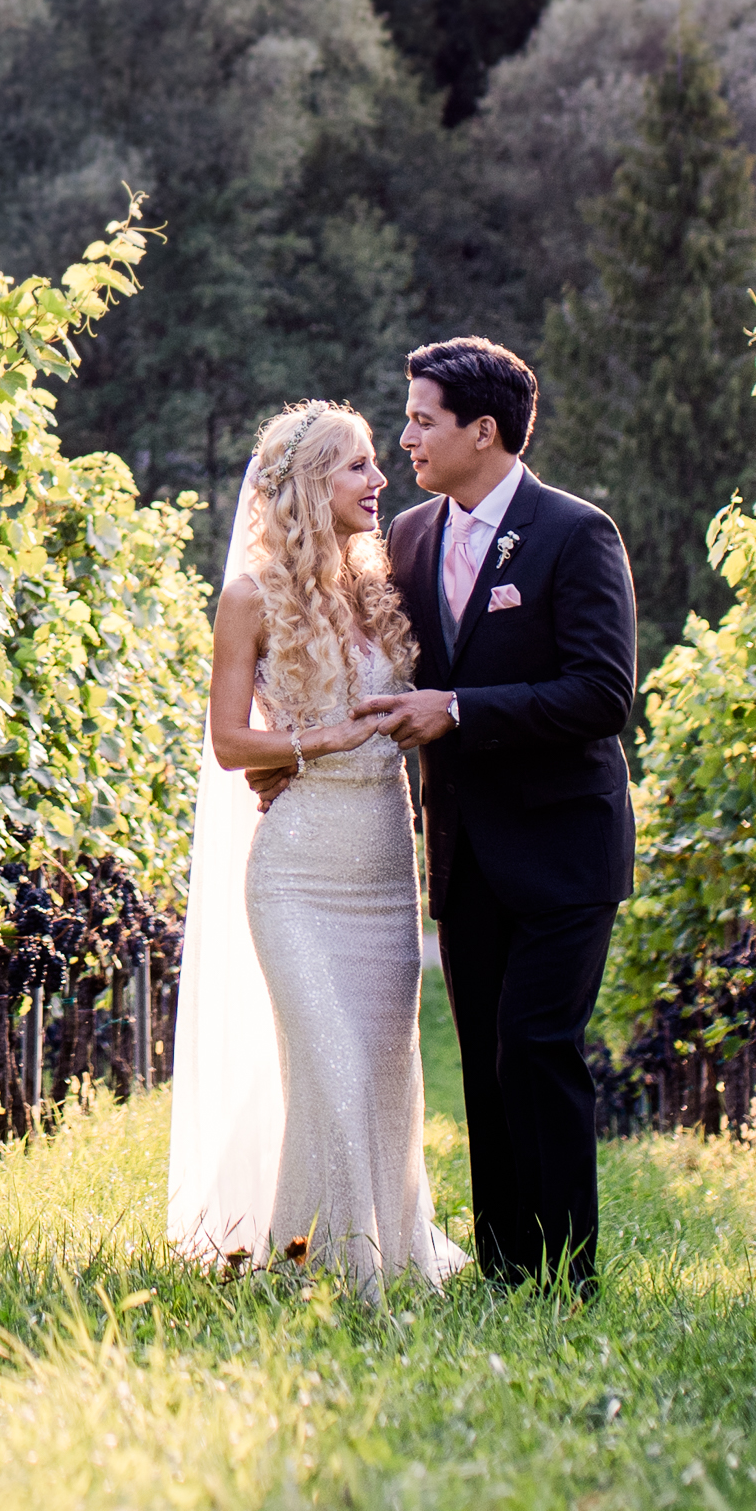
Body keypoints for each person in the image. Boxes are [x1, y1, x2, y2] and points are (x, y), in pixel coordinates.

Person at [164, 399, 462, 1294]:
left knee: (382, 1072)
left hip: (380, 864)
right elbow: (227, 744)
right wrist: (313, 743)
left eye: (376, 461)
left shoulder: (377, 587)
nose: (380, 480)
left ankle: (390, 1250)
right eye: (357, 466)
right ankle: (326, 1271)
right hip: (295, 870)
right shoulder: (249, 595)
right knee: (327, 1068)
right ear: (304, 484)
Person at [373, 334, 641, 1292]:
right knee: (488, 1064)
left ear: (483, 432)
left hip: (566, 844)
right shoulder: (406, 537)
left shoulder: (578, 533)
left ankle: (569, 1279)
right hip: (465, 848)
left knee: (538, 1045)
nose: (405, 436)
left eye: (421, 418)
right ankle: (505, 1272)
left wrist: (461, 711)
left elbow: (603, 693)